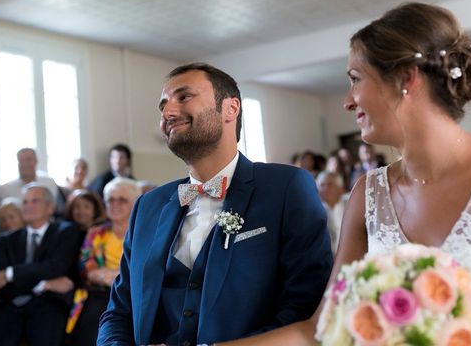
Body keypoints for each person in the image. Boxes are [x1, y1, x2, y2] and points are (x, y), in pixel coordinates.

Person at [222, 2, 471, 345]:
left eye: (355, 78)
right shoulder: (368, 193)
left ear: (406, 78)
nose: (348, 101)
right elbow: (320, 331)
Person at [98, 63, 332, 346]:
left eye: (183, 97)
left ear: (230, 109)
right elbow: (118, 311)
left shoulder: (286, 187)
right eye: (163, 105)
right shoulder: (148, 206)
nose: (168, 112)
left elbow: (304, 307)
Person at [0, 184, 82, 346]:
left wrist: (11, 273)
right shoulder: (9, 240)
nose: (28, 206)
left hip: (49, 304)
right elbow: (1, 287)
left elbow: (56, 267)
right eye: (25, 202)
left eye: (35, 201)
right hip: (11, 304)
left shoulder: (66, 231)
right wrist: (45, 284)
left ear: (50, 207)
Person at [67, 178, 141, 346]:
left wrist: (112, 276)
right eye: (110, 199)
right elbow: (86, 266)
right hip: (98, 292)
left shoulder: (143, 232)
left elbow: (145, 269)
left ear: (135, 203)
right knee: (91, 326)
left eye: (122, 199)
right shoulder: (96, 232)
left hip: (134, 294)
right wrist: (113, 277)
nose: (115, 204)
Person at [0, 148, 65, 235]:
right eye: (21, 160)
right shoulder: (5, 189)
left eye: (28, 159)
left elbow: (60, 211)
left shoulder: (49, 183)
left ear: (36, 161)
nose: (24, 164)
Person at [316, 171, 348, 254]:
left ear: (340, 188)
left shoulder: (351, 204)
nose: (325, 188)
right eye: (322, 185)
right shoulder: (313, 210)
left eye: (330, 184)